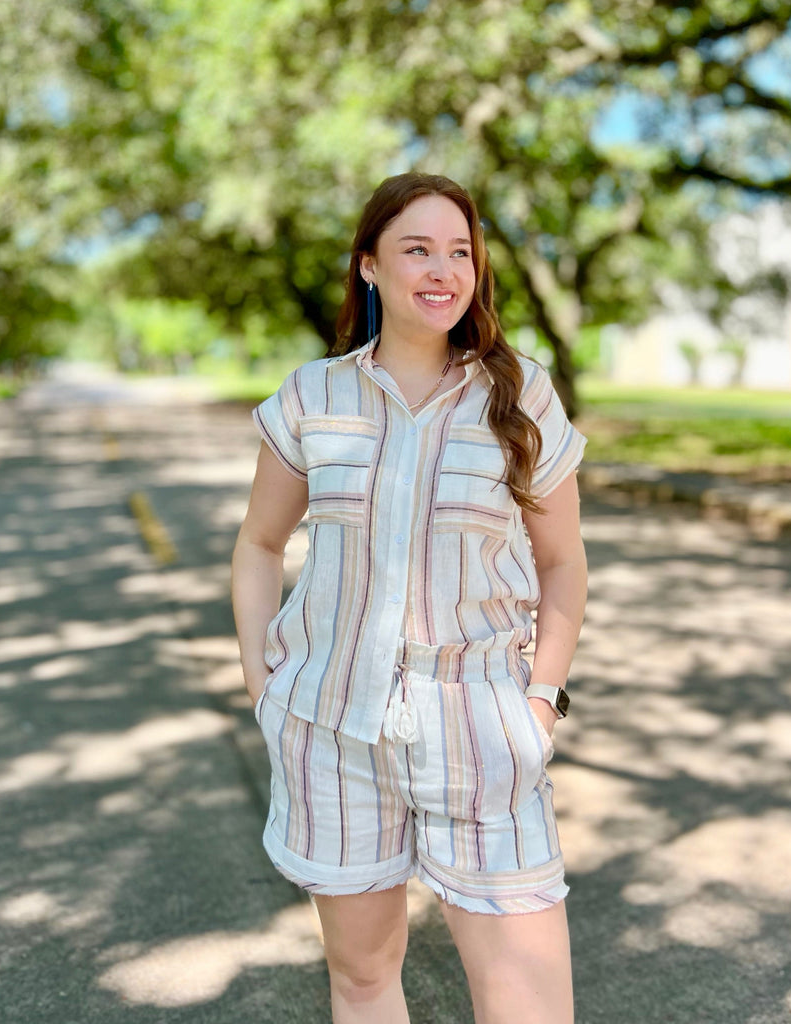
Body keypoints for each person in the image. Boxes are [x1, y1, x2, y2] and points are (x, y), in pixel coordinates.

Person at [231, 172, 587, 1024]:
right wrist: (261, 682)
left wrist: (539, 701)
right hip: (331, 726)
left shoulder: (520, 394)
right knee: (362, 981)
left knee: (526, 1004)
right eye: (417, 248)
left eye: (459, 251)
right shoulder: (314, 397)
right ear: (369, 266)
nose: (443, 269)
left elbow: (564, 566)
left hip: (480, 724)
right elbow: (258, 544)